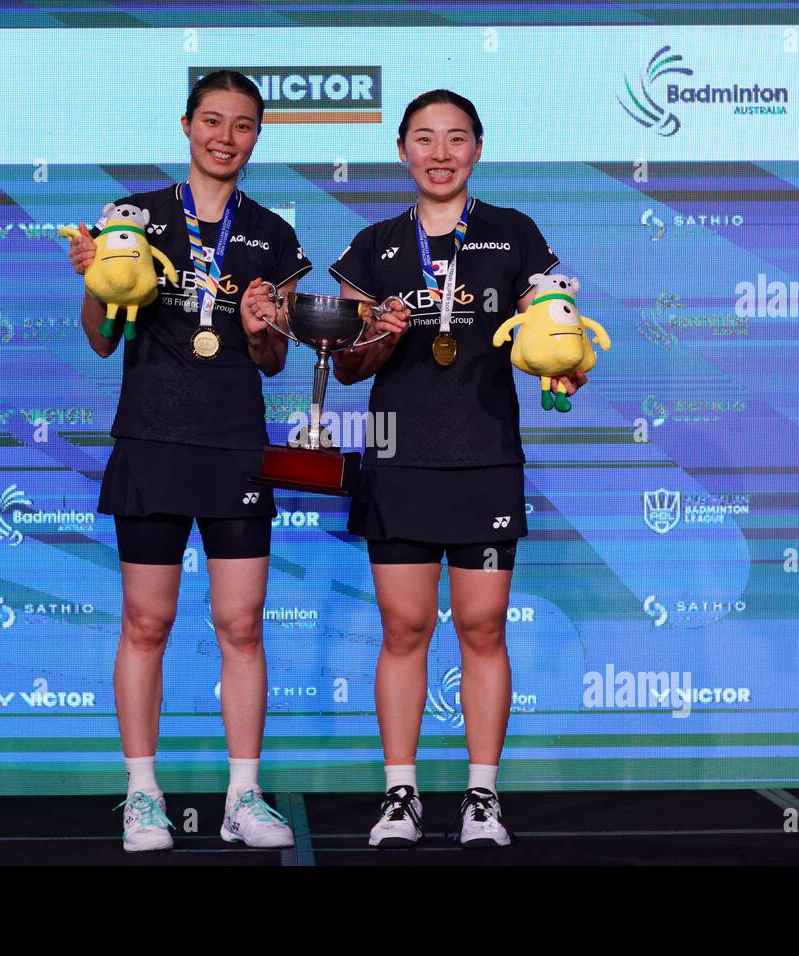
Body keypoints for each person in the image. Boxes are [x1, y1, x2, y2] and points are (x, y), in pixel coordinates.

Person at [330, 89, 587, 848]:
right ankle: (400, 795)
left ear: (478, 148)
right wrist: (378, 334)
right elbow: (344, 369)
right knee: (404, 628)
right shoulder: (374, 245)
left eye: (456, 138)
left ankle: (482, 796)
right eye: (424, 138)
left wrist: (566, 369)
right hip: (399, 458)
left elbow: (552, 332)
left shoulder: (512, 235)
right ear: (402, 151)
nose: (440, 153)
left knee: (482, 628)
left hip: (484, 457)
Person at [68, 70, 311, 852]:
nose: (225, 137)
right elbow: (103, 338)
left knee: (241, 625)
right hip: (150, 442)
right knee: (147, 622)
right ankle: (142, 793)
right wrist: (94, 285)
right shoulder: (133, 217)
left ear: (256, 136)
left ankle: (244, 795)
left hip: (235, 447)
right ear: (186, 125)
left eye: (242, 125)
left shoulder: (272, 233)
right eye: (212, 121)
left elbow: (273, 361)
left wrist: (259, 324)